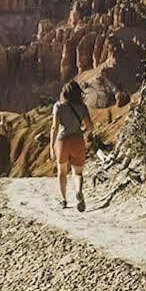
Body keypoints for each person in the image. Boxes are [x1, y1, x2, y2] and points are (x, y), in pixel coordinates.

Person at [49, 80, 93, 211]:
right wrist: (83, 132)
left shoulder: (58, 107)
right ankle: (79, 191)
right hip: (78, 140)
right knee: (78, 173)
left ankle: (63, 200)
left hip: (62, 141)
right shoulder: (82, 107)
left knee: (62, 172)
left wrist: (52, 147)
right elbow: (90, 126)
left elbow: (54, 127)